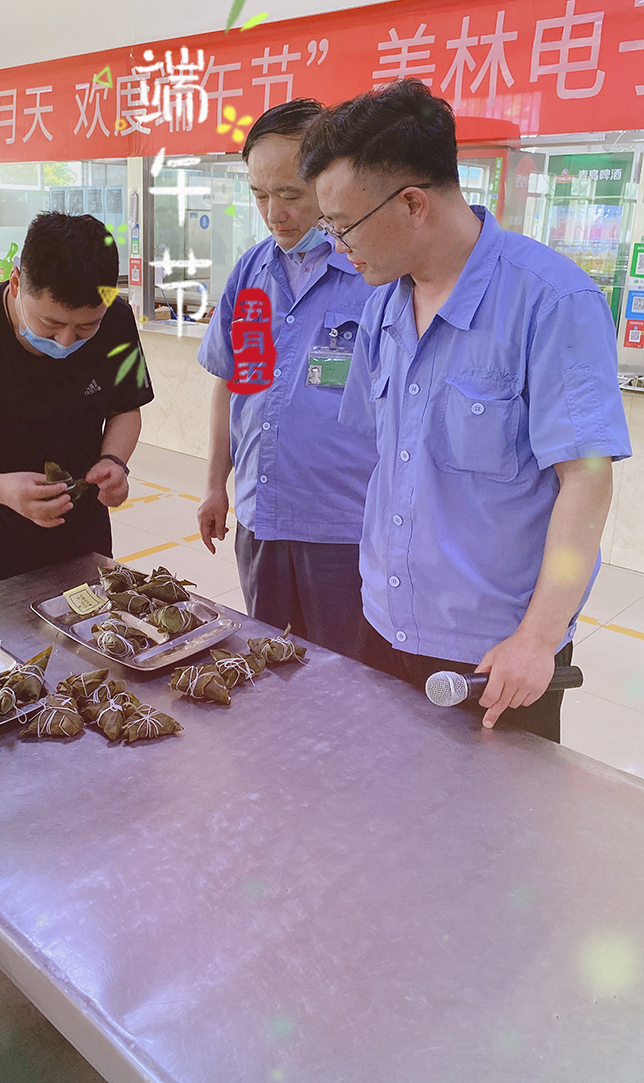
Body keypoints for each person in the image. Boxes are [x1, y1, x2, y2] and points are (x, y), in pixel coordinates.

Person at [298, 78, 632, 740]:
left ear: (412, 203)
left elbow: (587, 482)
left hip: (494, 657)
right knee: (382, 794)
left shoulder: (551, 302)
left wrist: (538, 638)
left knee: (489, 810)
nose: (336, 245)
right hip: (383, 622)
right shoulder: (384, 303)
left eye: (342, 225)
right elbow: (385, 462)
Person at [196, 99, 376, 657]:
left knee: (342, 677)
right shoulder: (251, 272)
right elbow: (233, 382)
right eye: (259, 195)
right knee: (267, 667)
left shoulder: (375, 275)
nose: (274, 213)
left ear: (330, 180)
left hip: (344, 530)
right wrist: (215, 484)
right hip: (262, 520)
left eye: (290, 194)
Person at [0, 211, 153, 594]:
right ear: (16, 283)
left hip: (83, 541)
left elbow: (125, 408)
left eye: (86, 327)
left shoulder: (117, 320)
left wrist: (114, 461)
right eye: (50, 323)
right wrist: (2, 489)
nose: (66, 341)